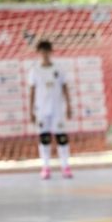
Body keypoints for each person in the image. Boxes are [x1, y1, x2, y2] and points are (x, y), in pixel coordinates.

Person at [28, 40, 73, 179]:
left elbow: (65, 87)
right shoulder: (35, 70)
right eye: (42, 52)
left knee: (61, 137)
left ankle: (65, 166)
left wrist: (69, 105)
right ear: (39, 53)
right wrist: (31, 110)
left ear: (51, 52)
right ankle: (45, 167)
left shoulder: (58, 69)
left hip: (57, 109)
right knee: (44, 137)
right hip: (41, 110)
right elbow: (32, 90)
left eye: (47, 51)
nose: (45, 54)